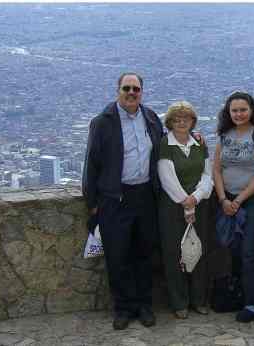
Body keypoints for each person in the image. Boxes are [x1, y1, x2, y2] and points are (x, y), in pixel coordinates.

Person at [82, 72, 163, 330]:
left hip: (144, 196)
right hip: (115, 198)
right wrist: (92, 202)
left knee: (144, 252)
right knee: (118, 256)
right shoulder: (103, 122)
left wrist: (195, 138)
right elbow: (91, 163)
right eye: (126, 88)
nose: (131, 93)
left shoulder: (151, 118)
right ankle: (123, 308)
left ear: (142, 92)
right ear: (118, 90)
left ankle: (144, 305)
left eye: (136, 89)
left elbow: (165, 145)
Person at [213, 91, 254, 323]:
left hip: (252, 199)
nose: (238, 114)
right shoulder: (225, 134)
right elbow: (216, 169)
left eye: (243, 109)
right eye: (234, 110)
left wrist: (239, 200)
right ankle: (240, 294)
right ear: (228, 112)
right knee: (233, 249)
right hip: (228, 198)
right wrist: (224, 199)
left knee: (248, 250)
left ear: (251, 110)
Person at [157, 101, 213, 319]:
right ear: (170, 122)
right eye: (177, 118)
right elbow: (166, 176)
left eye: (186, 118)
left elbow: (207, 175)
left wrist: (196, 198)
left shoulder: (200, 143)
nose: (181, 122)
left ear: (192, 122)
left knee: (200, 251)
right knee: (174, 255)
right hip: (172, 208)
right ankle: (179, 301)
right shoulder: (165, 144)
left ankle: (199, 299)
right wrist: (185, 200)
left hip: (200, 206)